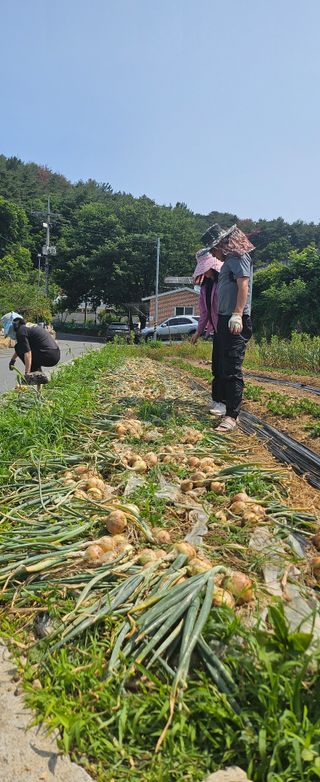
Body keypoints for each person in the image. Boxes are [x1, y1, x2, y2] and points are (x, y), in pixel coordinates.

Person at [200, 223, 255, 433]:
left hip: (235, 320)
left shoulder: (239, 257)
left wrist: (238, 314)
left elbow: (243, 285)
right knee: (222, 366)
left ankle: (232, 416)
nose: (214, 254)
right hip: (224, 319)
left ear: (223, 245)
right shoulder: (228, 262)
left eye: (214, 250)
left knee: (232, 368)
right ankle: (223, 406)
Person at [191, 249, 223, 407]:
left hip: (228, 327)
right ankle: (216, 400)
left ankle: (225, 403)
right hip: (217, 329)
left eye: (207, 268)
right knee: (216, 367)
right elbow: (204, 312)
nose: (206, 272)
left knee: (226, 368)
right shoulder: (205, 287)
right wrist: (198, 332)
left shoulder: (223, 281)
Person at [1, 312, 60, 382]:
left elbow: (27, 353)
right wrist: (12, 360)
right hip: (54, 353)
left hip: (48, 355)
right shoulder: (27, 327)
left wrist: (27, 374)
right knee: (20, 347)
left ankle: (32, 376)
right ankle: (39, 382)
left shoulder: (21, 332)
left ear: (12, 326)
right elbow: (22, 347)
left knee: (19, 347)